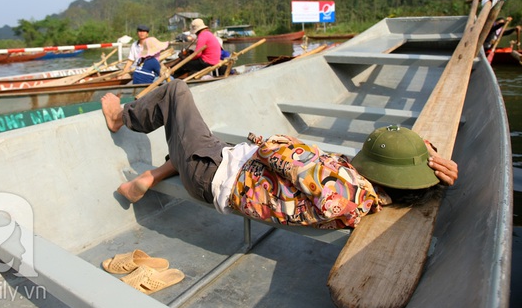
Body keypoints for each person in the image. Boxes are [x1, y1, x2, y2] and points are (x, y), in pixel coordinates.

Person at [101, 80, 458, 229]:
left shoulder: (337, 183)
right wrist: (423, 160)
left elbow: (272, 146)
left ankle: (121, 118)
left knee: (176, 92)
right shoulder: (365, 196)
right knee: (206, 140)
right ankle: (154, 175)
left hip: (215, 174)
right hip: (228, 166)